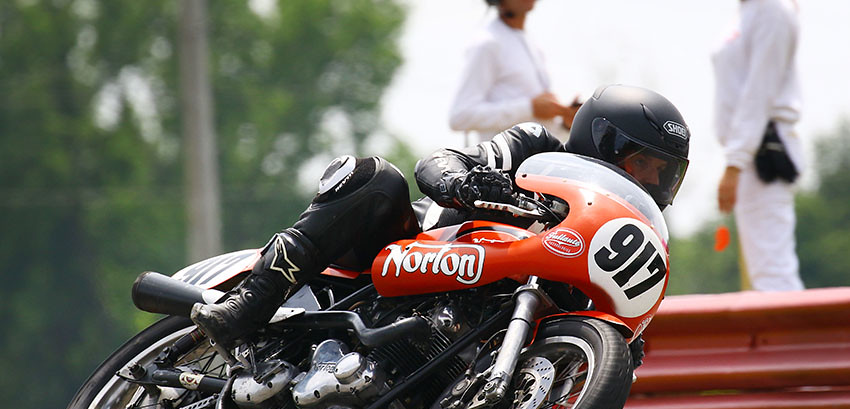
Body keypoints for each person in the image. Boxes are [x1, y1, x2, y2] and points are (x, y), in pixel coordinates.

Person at [191, 84, 690, 348]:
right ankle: (253, 301)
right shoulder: (534, 148)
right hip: (410, 252)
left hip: (485, 306)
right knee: (378, 179)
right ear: (601, 140)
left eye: (662, 172)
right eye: (640, 161)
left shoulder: (616, 234)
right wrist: (467, 182)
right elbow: (439, 162)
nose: (648, 178)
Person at [713, 0, 805, 291]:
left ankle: (791, 336)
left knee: (772, 270)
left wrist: (735, 162)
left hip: (764, 151)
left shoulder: (772, 9)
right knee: (761, 269)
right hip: (751, 151)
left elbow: (759, 93)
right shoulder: (747, 11)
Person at [448, 0, 580, 143]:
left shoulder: (530, 41)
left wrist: (565, 121)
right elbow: (460, 116)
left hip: (534, 160)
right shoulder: (487, 44)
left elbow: (534, 124)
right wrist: (529, 108)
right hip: (503, 163)